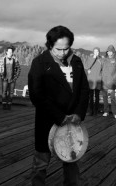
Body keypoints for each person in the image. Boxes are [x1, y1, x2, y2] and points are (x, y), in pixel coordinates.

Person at [28, 25, 89, 186]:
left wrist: (78, 113)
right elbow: (36, 95)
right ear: (49, 46)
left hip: (72, 122)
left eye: (66, 49)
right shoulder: (39, 63)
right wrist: (59, 116)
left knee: (71, 157)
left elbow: (83, 89)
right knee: (41, 161)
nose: (63, 53)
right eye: (58, 49)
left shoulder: (76, 62)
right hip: (47, 120)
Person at [101, 45, 116, 119]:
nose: (109, 52)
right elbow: (100, 69)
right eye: (108, 51)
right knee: (104, 97)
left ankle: (115, 113)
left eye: (110, 51)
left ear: (113, 51)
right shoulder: (104, 59)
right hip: (103, 81)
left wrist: (113, 77)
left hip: (112, 82)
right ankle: (106, 111)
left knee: (112, 97)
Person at [84, 47, 102, 116]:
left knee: (97, 96)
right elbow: (86, 66)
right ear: (93, 52)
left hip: (98, 79)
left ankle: (96, 111)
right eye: (95, 51)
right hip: (91, 79)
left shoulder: (101, 60)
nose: (96, 52)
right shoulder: (89, 58)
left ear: (99, 52)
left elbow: (103, 69)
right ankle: (91, 111)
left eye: (97, 51)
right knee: (91, 96)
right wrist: (93, 58)